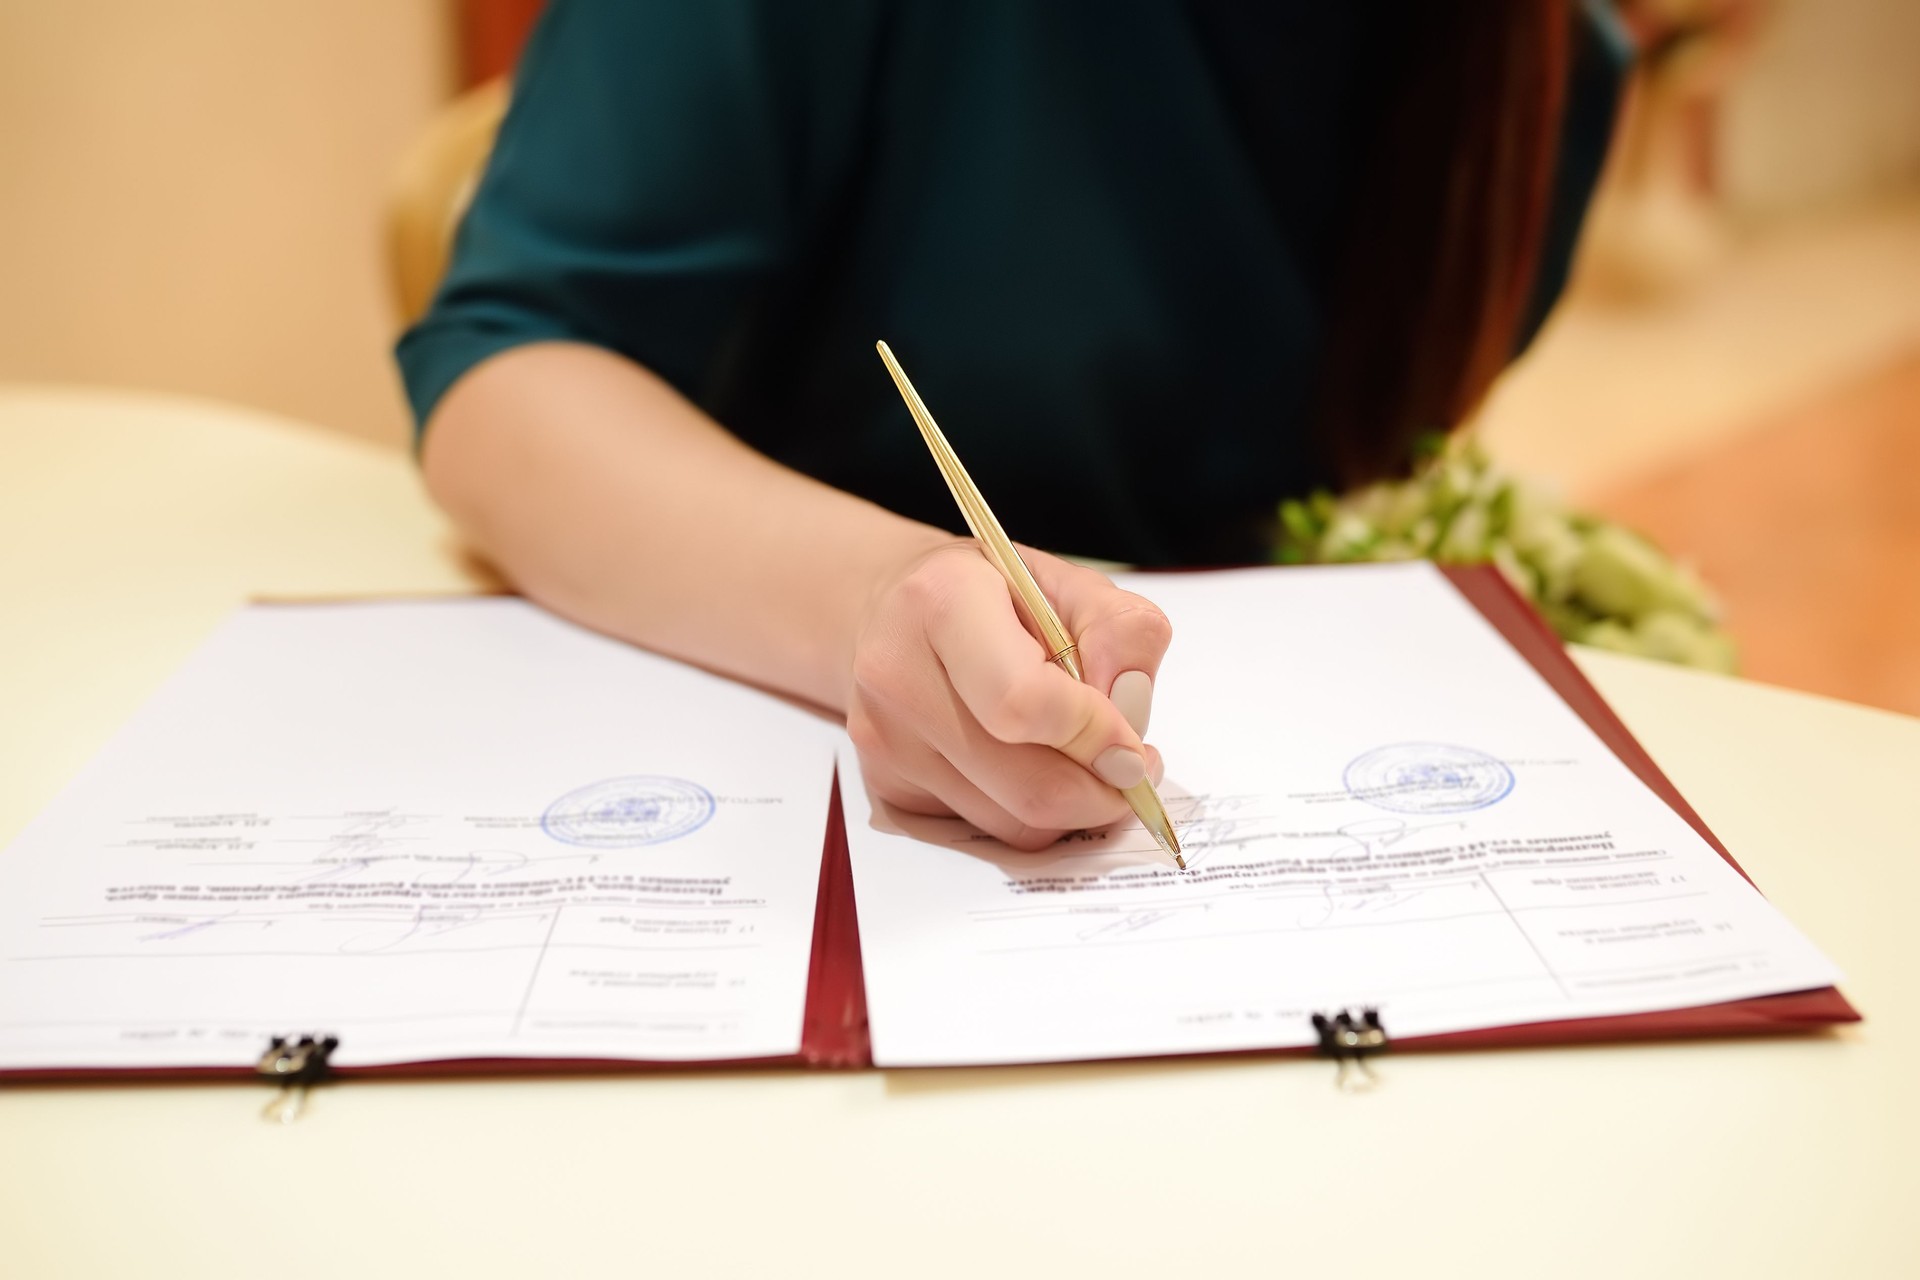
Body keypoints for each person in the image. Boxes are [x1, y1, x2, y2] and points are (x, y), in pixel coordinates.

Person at [398, 1, 1626, 851]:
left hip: (1251, 788)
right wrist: (872, 598)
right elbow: (507, 371)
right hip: (769, 738)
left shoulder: (1542, 69)